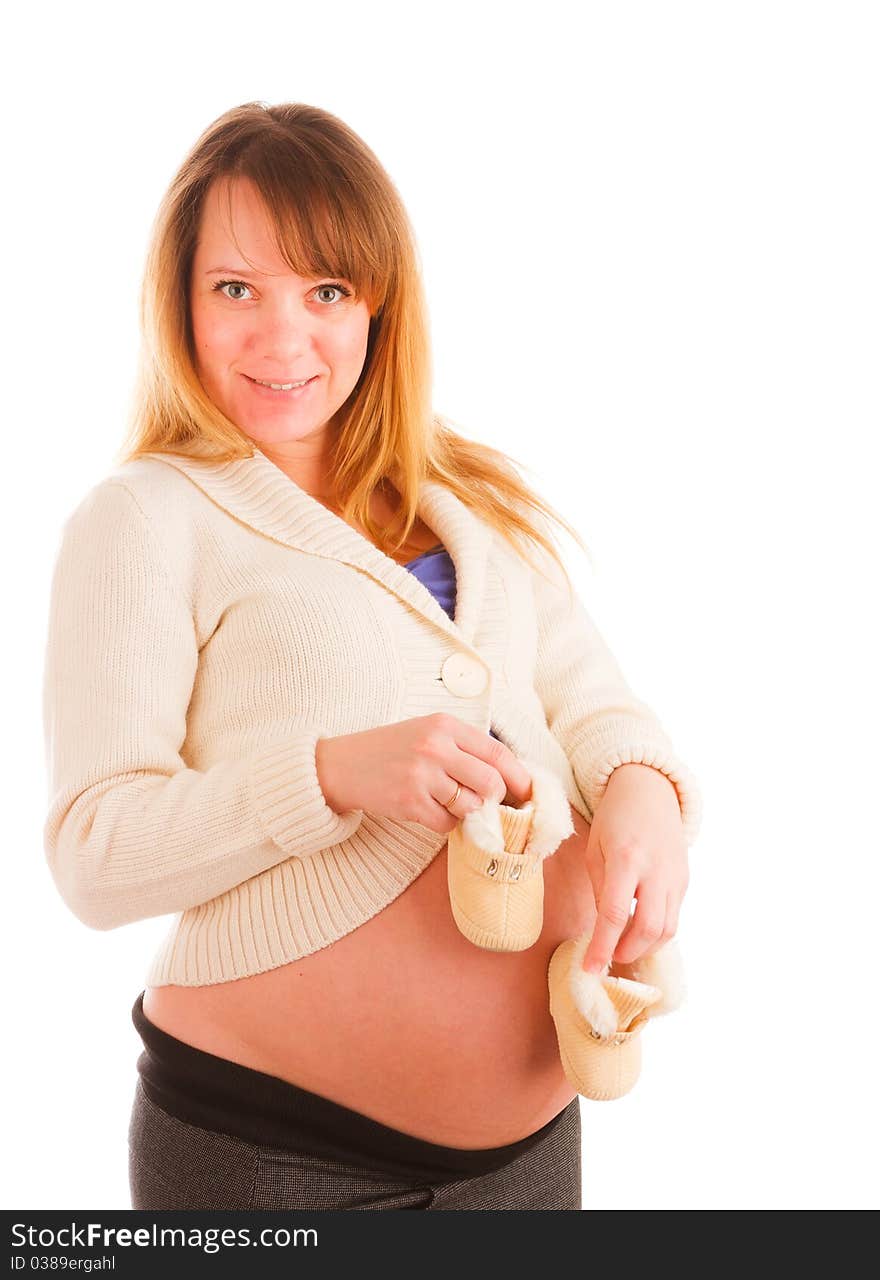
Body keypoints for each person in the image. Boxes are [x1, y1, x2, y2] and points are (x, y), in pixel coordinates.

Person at [41, 101, 703, 1211]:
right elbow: (92, 854)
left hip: (529, 1154)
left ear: (377, 307)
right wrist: (330, 772)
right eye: (236, 289)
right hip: (274, 1156)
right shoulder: (144, 519)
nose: (283, 339)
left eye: (327, 291)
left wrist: (645, 794)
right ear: (180, 302)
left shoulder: (469, 496)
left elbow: (596, 703)